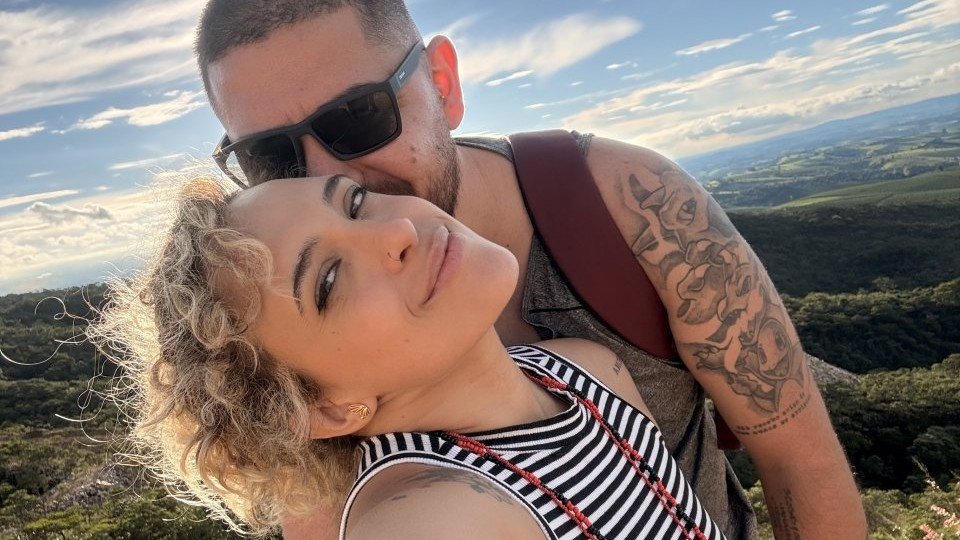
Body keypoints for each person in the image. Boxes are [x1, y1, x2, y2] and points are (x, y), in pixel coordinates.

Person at [194, 1, 867, 538]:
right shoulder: (283, 348)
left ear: (442, 85)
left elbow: (798, 461)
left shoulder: (626, 203)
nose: (324, 176)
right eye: (269, 157)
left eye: (357, 117)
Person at [95, 174, 732, 539]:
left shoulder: (589, 368)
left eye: (354, 202)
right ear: (326, 408)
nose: (396, 229)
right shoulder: (435, 517)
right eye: (328, 281)